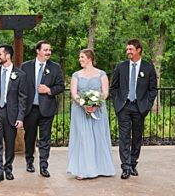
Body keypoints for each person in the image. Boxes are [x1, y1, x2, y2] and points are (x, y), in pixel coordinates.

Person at [109, 38, 159, 179]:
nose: (128, 52)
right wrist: (117, 102)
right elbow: (114, 87)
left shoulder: (148, 68)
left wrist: (147, 105)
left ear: (138, 50)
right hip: (124, 107)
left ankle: (132, 163)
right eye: (127, 49)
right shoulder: (121, 66)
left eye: (130, 49)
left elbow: (153, 89)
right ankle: (125, 167)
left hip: (139, 107)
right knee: (124, 137)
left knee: (137, 137)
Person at [17, 40, 64, 177]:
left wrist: (49, 89)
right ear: (38, 51)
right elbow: (21, 87)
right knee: (30, 137)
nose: (48, 52)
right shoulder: (25, 66)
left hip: (47, 108)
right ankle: (29, 161)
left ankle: (44, 166)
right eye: (45, 50)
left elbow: (60, 86)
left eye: (50, 50)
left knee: (45, 138)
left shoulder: (55, 67)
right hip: (30, 109)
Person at [67, 47, 115, 180]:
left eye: (82, 57)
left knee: (99, 137)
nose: (80, 60)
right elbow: (74, 93)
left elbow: (105, 92)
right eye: (79, 57)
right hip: (80, 111)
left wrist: (95, 104)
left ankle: (101, 168)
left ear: (90, 59)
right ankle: (83, 169)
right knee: (83, 138)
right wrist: (83, 104)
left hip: (98, 110)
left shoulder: (102, 74)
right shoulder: (76, 75)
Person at [0, 44, 25, 183]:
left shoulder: (20, 75)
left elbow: (22, 98)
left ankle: (8, 168)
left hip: (11, 114)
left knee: (10, 144)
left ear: (7, 56)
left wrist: (20, 117)